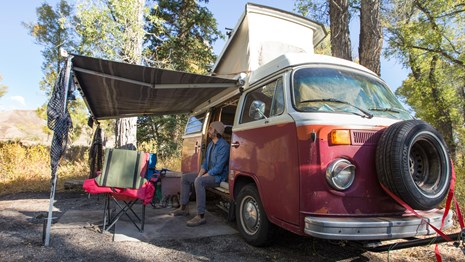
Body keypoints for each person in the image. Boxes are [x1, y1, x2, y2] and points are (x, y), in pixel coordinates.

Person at [170, 121, 230, 227]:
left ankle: (200, 216)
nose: (208, 131)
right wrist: (200, 174)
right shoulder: (211, 145)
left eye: (210, 129)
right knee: (185, 178)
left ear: (216, 131)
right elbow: (205, 163)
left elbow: (219, 168)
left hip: (218, 177)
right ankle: (184, 208)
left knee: (199, 181)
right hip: (209, 174)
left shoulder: (224, 146)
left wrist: (202, 177)